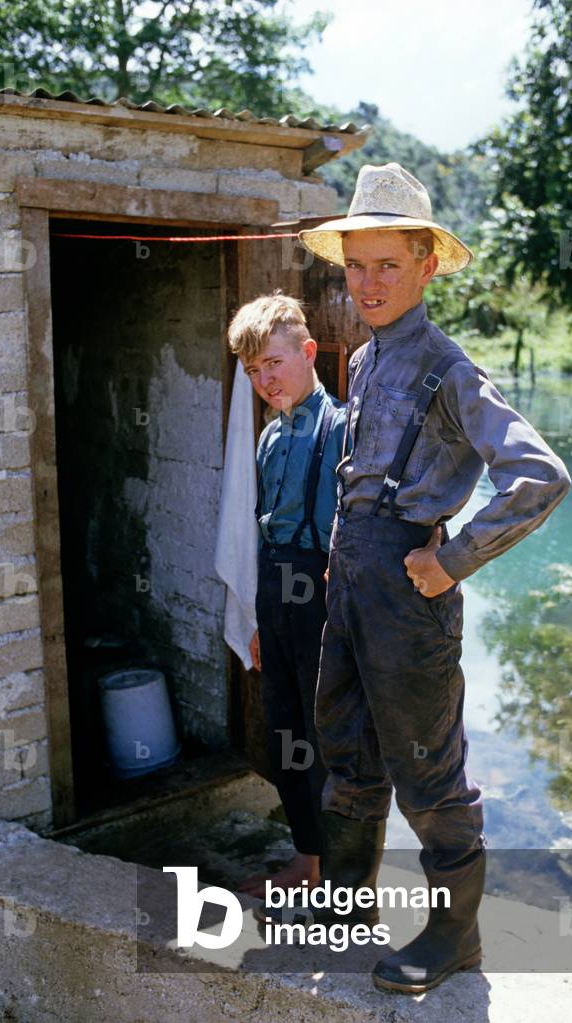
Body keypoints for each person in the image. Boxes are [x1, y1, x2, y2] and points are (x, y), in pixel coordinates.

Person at [257, 163, 571, 993]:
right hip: (349, 588)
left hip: (410, 591)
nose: (366, 283)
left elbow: (539, 474)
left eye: (386, 265)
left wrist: (455, 556)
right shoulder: (361, 360)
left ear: (426, 265)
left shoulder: (448, 367)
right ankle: (346, 909)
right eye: (355, 266)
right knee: (347, 754)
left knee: (428, 770)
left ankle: (452, 936)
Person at [227, 294, 346, 898]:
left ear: (308, 352)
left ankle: (340, 872)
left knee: (327, 738)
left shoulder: (344, 429)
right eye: (252, 371)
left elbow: (355, 536)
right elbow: (263, 534)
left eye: (273, 362)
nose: (264, 379)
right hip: (276, 598)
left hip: (322, 602)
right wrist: (258, 617)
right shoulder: (270, 438)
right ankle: (305, 860)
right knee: (284, 736)